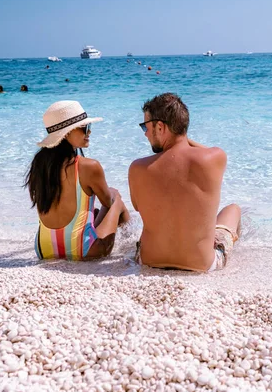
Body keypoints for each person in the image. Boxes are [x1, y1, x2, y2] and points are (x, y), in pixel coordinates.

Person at [128, 93, 241, 272]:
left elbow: (137, 206)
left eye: (145, 127)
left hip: (149, 260)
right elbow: (205, 151)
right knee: (233, 210)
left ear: (160, 126)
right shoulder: (215, 158)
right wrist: (181, 137)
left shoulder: (137, 168)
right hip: (202, 265)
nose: (146, 134)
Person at [25, 100, 129, 260]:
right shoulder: (89, 166)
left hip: (44, 249)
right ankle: (133, 243)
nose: (89, 133)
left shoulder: (39, 164)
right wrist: (112, 195)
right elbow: (108, 203)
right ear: (66, 133)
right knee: (117, 199)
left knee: (92, 212)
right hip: (83, 250)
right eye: (85, 128)